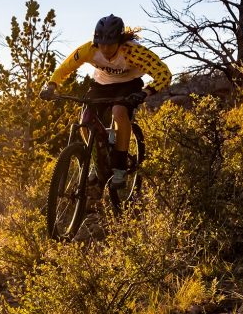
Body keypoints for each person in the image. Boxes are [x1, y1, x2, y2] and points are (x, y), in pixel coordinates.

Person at [40, 14, 171, 187]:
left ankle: (120, 167)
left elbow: (164, 74)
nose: (106, 49)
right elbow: (66, 67)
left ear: (120, 40)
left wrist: (146, 92)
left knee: (119, 111)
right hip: (102, 84)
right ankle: (96, 160)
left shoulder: (133, 51)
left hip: (129, 84)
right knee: (86, 119)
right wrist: (51, 85)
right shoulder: (90, 49)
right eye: (102, 44)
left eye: (110, 45)